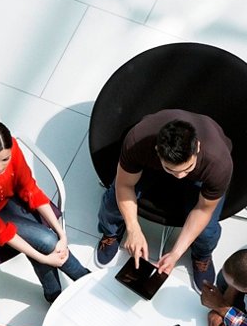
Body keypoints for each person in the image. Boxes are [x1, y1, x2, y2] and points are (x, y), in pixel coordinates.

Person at [0, 121, 89, 303]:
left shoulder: (12, 146)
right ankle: (84, 280)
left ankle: (55, 295)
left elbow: (31, 190)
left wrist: (62, 233)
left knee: (49, 239)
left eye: (5, 159)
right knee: (46, 240)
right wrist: (44, 259)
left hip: (4, 199)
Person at [95, 110, 232, 290]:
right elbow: (124, 186)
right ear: (158, 151)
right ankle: (111, 233)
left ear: (197, 147)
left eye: (187, 168)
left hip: (201, 176)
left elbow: (203, 210)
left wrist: (175, 253)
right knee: (113, 200)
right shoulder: (137, 141)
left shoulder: (218, 164)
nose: (181, 177)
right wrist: (133, 228)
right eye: (172, 170)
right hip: (151, 167)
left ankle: (202, 256)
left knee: (207, 230)